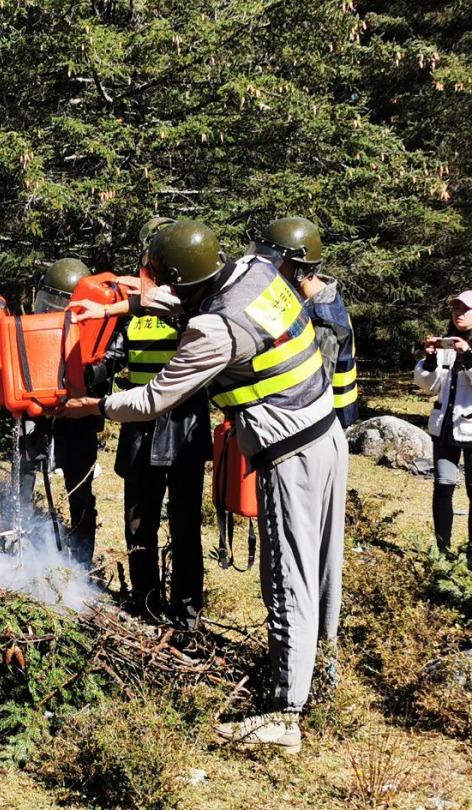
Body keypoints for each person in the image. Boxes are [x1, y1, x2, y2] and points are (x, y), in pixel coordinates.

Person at [64, 220, 347, 754]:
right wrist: (112, 310)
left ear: (176, 275)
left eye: (160, 277)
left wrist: (95, 406)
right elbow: (182, 305)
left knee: (288, 577)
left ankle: (285, 716)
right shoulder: (255, 270)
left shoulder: (215, 330)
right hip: (326, 431)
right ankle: (324, 676)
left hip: (290, 453)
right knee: (322, 567)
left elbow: (153, 400)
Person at [82, 220, 210, 628]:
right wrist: (84, 373)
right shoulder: (132, 310)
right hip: (139, 428)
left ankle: (187, 614)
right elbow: (111, 359)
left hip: (185, 428)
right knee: (139, 525)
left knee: (186, 528)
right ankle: (146, 605)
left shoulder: (194, 303)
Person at [18, 258, 103, 567]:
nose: (53, 311)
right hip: (36, 413)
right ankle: (20, 546)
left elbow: (109, 362)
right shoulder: (34, 328)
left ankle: (80, 566)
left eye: (61, 304)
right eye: (49, 302)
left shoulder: (100, 328)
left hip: (77, 418)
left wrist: (83, 379)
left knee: (79, 490)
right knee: (25, 473)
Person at [253, 217, 359, 427]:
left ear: (302, 270)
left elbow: (314, 388)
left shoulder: (323, 319)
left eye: (277, 263)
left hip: (325, 425)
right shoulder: (305, 301)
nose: (270, 271)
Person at [414, 290, 472, 562]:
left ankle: (471, 555)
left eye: (465, 310)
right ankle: (442, 552)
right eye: (456, 309)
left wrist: (468, 355)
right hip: (444, 427)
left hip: (470, 430)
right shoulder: (448, 344)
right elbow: (429, 386)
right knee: (443, 486)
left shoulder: (463, 347)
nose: (459, 314)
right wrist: (430, 359)